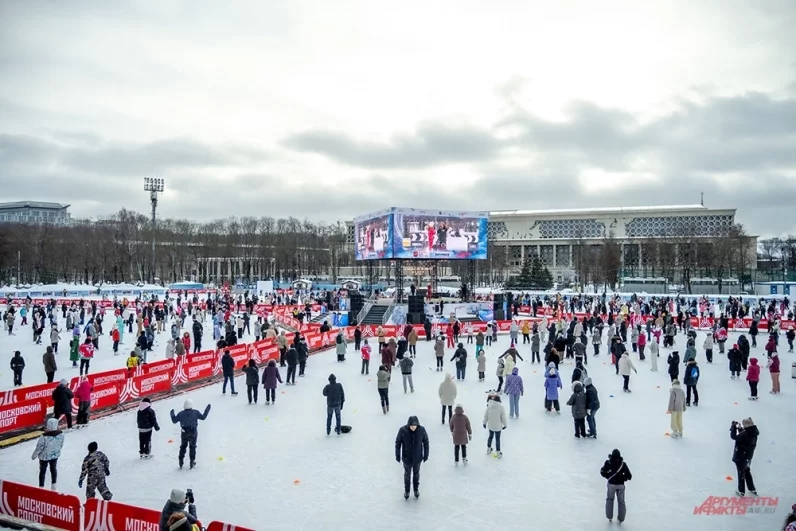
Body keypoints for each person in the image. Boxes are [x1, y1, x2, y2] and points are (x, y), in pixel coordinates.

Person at [170, 400, 212, 469]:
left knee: (183, 446)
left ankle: (181, 460)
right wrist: (207, 409)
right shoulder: (196, 412)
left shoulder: (180, 414)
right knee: (192, 446)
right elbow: (203, 417)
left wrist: (172, 413)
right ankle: (192, 461)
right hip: (193, 431)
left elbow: (174, 421)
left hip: (184, 432)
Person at [395, 416, 429, 499]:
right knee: (407, 474)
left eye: (415, 426)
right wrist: (398, 455)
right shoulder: (403, 430)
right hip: (407, 458)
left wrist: (426, 455)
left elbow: (426, 442)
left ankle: (416, 490)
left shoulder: (422, 430)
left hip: (417, 458)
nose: (413, 428)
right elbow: (398, 443)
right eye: (411, 426)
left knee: (416, 474)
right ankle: (407, 491)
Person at [600, 449, 632, 523]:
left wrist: (608, 476)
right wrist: (623, 478)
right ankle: (621, 519)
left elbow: (602, 472)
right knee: (621, 502)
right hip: (621, 485)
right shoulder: (623, 464)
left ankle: (609, 517)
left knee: (610, 499)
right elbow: (629, 476)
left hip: (611, 485)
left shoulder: (608, 462)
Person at [31, 417, 64, 489]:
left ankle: (41, 486)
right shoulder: (61, 434)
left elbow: (39, 447)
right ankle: (53, 485)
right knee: (53, 469)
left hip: (44, 457)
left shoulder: (44, 436)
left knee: (42, 471)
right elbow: (61, 444)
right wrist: (56, 450)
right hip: (55, 455)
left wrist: (34, 456)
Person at [730, 418, 759, 497]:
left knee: (741, 473)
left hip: (741, 456)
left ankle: (741, 490)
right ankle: (751, 488)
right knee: (747, 471)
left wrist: (733, 428)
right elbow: (743, 437)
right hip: (748, 456)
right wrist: (740, 429)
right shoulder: (753, 432)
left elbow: (734, 437)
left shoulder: (745, 434)